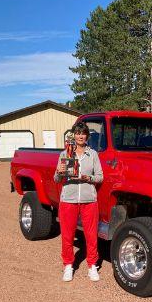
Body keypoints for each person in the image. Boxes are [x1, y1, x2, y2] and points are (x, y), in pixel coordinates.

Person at [54, 121, 103, 282]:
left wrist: (88, 178)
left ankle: (92, 266)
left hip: (89, 199)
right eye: (77, 133)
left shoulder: (93, 154)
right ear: (73, 135)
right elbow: (56, 179)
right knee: (67, 235)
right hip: (68, 199)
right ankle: (68, 265)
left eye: (83, 133)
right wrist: (60, 172)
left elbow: (100, 177)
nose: (80, 136)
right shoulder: (65, 153)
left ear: (87, 136)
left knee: (91, 235)